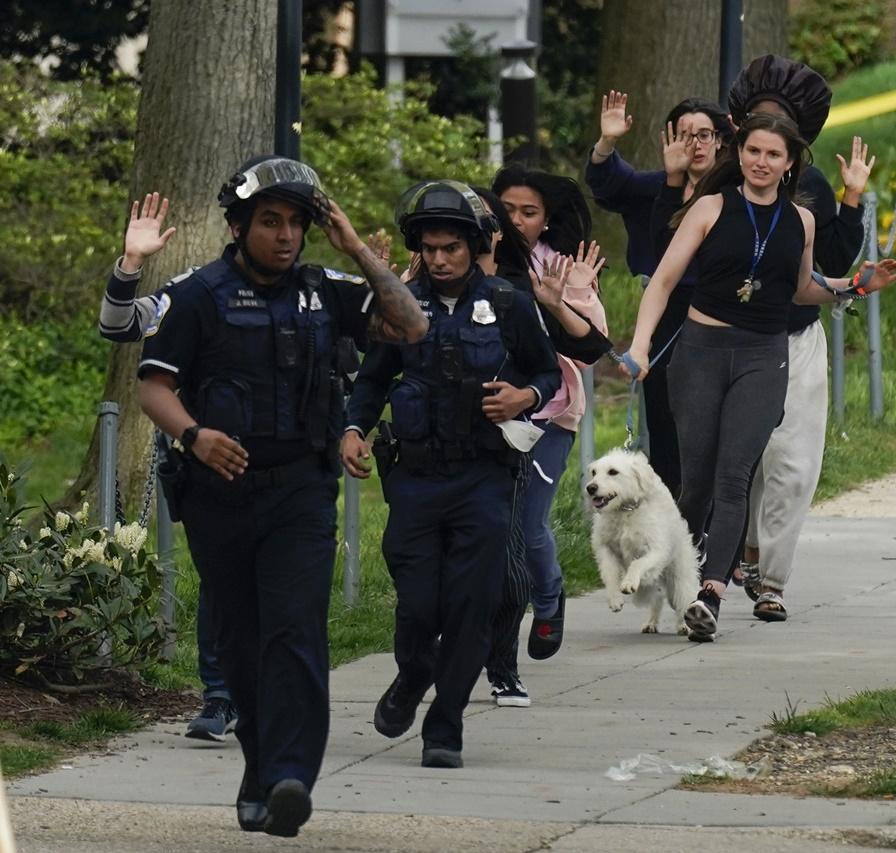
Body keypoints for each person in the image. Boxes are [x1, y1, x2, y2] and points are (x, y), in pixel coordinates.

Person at [135, 155, 427, 837]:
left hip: (301, 485)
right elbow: (153, 385)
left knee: (296, 628)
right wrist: (194, 435)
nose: (286, 234)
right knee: (242, 638)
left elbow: (410, 326)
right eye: (271, 221)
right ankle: (259, 767)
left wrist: (355, 248)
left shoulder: (324, 288)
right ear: (238, 227)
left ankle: (293, 775)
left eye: (297, 222)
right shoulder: (197, 294)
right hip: (219, 488)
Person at [626, 113, 896, 642]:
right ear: (740, 155)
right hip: (702, 354)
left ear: (790, 164)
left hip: (763, 356)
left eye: (773, 155)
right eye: (753, 151)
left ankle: (709, 592)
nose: (761, 162)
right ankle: (676, 574)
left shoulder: (801, 221)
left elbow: (802, 289)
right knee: (697, 483)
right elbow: (662, 281)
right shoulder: (710, 207)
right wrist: (640, 348)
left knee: (736, 477)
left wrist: (857, 285)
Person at [342, 180, 559, 767]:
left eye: (450, 249)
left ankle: (446, 725)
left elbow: (549, 375)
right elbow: (371, 380)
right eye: (430, 249)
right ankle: (413, 675)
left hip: (484, 478)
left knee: (471, 602)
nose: (439, 260)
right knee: (417, 604)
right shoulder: (399, 304)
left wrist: (523, 396)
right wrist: (354, 429)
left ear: (473, 247)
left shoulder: (511, 304)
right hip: (413, 480)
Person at [694, 54, 873, 621]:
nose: (765, 152)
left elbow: (830, 265)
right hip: (721, 344)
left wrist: (851, 200)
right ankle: (722, 565)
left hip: (791, 339)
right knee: (734, 462)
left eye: (779, 141)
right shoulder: (720, 185)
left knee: (792, 465)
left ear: (794, 146)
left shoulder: (813, 190)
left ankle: (771, 580)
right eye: (756, 136)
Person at [98, 193, 238, 742]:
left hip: (295, 466)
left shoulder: (311, 291)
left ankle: (272, 692)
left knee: (283, 588)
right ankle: (221, 697)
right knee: (223, 582)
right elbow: (118, 326)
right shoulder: (192, 291)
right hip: (211, 459)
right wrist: (131, 264)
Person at [487, 167, 608, 705]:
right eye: (506, 209)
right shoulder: (471, 257)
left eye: (528, 212)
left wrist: (554, 299)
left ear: (547, 221)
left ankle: (548, 595)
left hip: (549, 414)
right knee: (485, 531)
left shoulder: (564, 267)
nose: (514, 221)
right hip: (484, 416)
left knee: (527, 522)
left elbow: (591, 343)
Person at [585, 93, 733, 494]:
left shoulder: (735, 193)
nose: (695, 144)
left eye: (704, 134)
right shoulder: (655, 187)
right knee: (666, 424)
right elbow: (607, 184)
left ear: (721, 140)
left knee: (719, 425)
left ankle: (721, 532)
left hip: (720, 313)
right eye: (684, 134)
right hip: (664, 311)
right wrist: (607, 142)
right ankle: (676, 525)